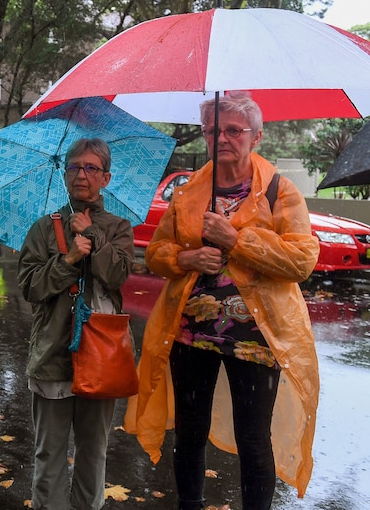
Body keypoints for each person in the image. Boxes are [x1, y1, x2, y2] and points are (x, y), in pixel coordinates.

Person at [123, 93, 320, 509]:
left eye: (233, 130)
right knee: (189, 433)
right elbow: (157, 252)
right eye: (213, 130)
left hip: (256, 336)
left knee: (253, 438)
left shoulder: (280, 191)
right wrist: (186, 257)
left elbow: (302, 260)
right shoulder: (190, 190)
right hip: (190, 333)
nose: (222, 138)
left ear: (257, 136)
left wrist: (237, 240)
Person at [17, 138, 134, 510]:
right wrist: (66, 259)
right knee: (48, 454)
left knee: (93, 453)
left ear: (106, 178)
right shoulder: (43, 228)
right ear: (64, 173)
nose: (81, 174)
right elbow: (30, 287)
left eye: (90, 168)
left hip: (101, 356)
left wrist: (93, 236)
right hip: (52, 354)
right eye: (74, 167)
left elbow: (118, 275)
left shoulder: (118, 228)